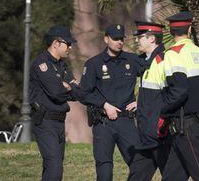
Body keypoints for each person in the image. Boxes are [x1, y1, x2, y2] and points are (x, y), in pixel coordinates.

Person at [160, 11, 199, 181]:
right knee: (172, 176)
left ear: (171, 32)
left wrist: (162, 110)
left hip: (185, 125)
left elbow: (179, 91)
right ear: (190, 29)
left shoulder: (173, 53)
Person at [80, 24, 144, 181]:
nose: (119, 42)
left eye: (121, 38)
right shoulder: (93, 64)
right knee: (104, 167)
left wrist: (141, 101)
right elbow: (84, 93)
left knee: (139, 164)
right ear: (106, 39)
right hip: (103, 123)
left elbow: (154, 77)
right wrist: (104, 105)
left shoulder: (133, 60)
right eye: (115, 39)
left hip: (127, 122)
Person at [128, 21, 187, 181]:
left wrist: (162, 118)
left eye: (140, 37)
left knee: (171, 176)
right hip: (146, 136)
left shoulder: (164, 60)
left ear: (151, 39)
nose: (137, 41)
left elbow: (177, 92)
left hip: (160, 135)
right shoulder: (149, 62)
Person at [29, 25, 82, 181]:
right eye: (68, 44)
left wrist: (68, 87)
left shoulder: (62, 65)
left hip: (59, 121)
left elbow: (77, 91)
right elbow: (56, 93)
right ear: (56, 43)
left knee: (53, 167)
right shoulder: (42, 64)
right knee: (54, 167)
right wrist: (67, 87)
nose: (70, 47)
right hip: (45, 121)